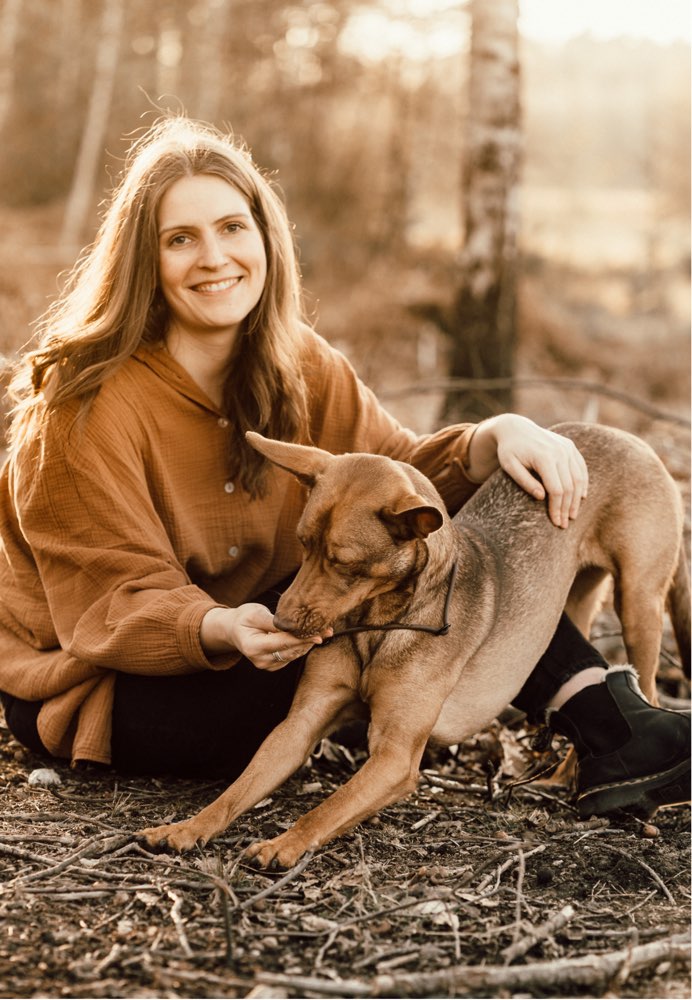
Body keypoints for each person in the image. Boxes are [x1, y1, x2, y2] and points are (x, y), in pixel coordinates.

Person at [0, 117, 687, 820]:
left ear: (266, 238)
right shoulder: (82, 407)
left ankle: (612, 726)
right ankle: (590, 722)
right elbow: (112, 599)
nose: (214, 257)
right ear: (142, 260)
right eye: (180, 239)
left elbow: (394, 486)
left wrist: (491, 440)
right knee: (369, 622)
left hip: (270, 631)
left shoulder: (298, 362)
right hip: (110, 688)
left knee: (439, 556)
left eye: (232, 228)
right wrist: (221, 626)